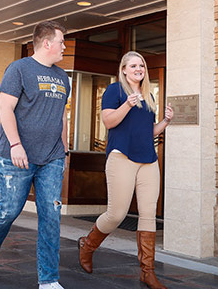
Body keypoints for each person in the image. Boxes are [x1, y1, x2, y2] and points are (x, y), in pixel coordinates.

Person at [0, 20, 70, 289]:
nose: (64, 46)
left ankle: (49, 279)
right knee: (9, 210)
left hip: (51, 157)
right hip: (17, 155)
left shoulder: (63, 77)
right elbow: (5, 108)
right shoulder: (19, 69)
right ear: (47, 43)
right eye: (61, 41)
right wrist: (16, 144)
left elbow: (61, 115)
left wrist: (64, 148)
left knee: (51, 216)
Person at [77, 51, 174, 289]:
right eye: (133, 65)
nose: (138, 69)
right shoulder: (115, 91)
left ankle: (147, 271)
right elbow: (108, 122)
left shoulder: (149, 95)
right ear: (123, 69)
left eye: (141, 65)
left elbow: (146, 132)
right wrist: (128, 105)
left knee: (148, 214)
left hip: (148, 161)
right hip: (122, 157)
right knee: (117, 214)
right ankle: (88, 245)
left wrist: (165, 123)